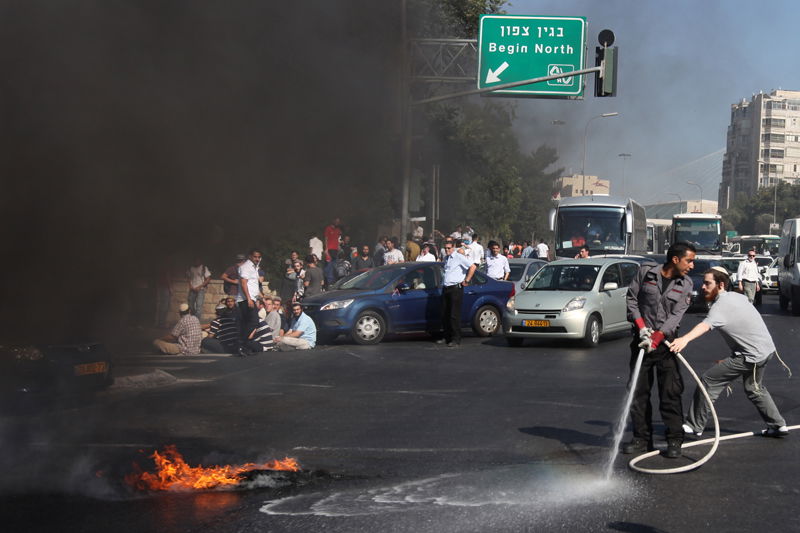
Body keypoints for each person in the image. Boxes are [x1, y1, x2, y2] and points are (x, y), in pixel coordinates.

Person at [670, 267, 790, 438]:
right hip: (766, 351)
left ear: (720, 284)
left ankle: (694, 425)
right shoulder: (737, 297)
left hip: (750, 356)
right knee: (754, 389)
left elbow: (705, 325)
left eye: (707, 283)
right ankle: (778, 425)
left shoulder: (720, 306)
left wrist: (684, 339)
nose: (703, 287)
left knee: (709, 380)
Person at [623, 241, 697, 458]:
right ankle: (641, 439)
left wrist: (658, 335)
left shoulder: (685, 284)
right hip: (641, 342)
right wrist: (641, 328)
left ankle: (674, 440)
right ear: (675, 260)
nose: (691, 265)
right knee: (638, 393)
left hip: (666, 345)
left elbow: (676, 315)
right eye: (689, 260)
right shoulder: (646, 273)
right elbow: (632, 299)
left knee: (670, 393)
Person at [437, 239, 477, 347]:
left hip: (455, 288)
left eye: (449, 248)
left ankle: (456, 339)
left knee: (454, 315)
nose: (447, 250)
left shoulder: (459, 257)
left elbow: (473, 267)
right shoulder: (447, 258)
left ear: (454, 247)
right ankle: (447, 337)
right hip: (446, 288)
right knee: (445, 314)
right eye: (445, 248)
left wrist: (467, 280)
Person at [237, 249, 262, 340]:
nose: (257, 259)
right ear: (250, 256)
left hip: (251, 299)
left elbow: (253, 285)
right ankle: (241, 343)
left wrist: (262, 298)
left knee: (246, 323)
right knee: (254, 322)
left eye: (259, 257)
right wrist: (248, 299)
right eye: (255, 257)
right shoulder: (246, 267)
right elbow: (244, 283)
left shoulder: (254, 267)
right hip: (246, 300)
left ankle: (244, 346)